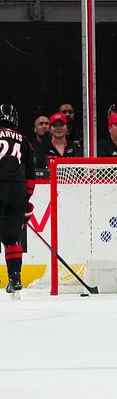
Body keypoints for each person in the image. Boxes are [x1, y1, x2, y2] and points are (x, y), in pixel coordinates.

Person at [0, 104, 35, 298]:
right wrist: (26, 198)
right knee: (12, 238)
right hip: (17, 192)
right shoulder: (25, 141)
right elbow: (31, 174)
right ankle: (15, 278)